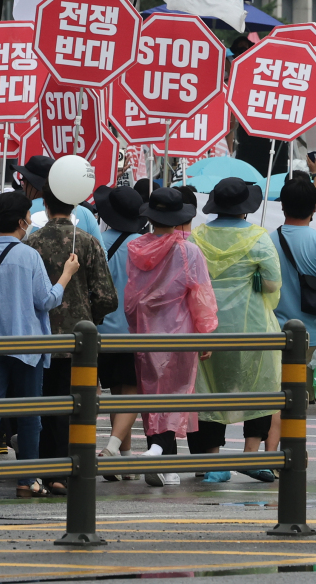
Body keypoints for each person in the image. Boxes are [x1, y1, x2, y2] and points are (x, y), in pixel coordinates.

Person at [0, 191, 79, 499]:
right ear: (23, 221)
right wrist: (65, 276)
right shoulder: (28, 256)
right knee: (29, 413)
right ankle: (28, 480)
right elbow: (46, 300)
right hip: (28, 346)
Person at [25, 182, 117, 495]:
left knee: (41, 404)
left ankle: (37, 469)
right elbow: (107, 296)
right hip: (79, 339)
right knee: (73, 406)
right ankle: (63, 471)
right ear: (74, 207)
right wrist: (91, 314)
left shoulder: (31, 241)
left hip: (39, 336)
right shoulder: (88, 242)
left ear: (45, 206)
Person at [189, 177, 282, 483]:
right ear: (245, 207)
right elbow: (272, 284)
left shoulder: (198, 236)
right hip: (251, 327)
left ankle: (214, 460)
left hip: (207, 327)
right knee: (259, 387)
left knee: (209, 392)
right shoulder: (259, 238)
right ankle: (252, 454)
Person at [125, 188, 219, 487]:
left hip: (145, 331)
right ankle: (158, 453)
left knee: (152, 396)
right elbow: (201, 294)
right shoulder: (188, 251)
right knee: (177, 397)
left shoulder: (135, 248)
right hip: (180, 332)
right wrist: (205, 334)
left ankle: (166, 462)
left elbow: (130, 297)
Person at [270, 174, 316, 476]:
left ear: (283, 206)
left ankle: (288, 457)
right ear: (315, 207)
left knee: (284, 401)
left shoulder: (267, 240)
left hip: (278, 336)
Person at [94, 185, 146, 477]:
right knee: (132, 392)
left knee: (117, 392)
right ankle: (113, 448)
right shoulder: (145, 246)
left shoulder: (97, 241)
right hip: (134, 329)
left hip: (100, 331)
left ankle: (123, 460)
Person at [15, 156, 104, 244]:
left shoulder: (20, 211)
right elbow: (103, 254)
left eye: (24, 181)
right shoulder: (86, 214)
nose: (23, 187)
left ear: (33, 184)